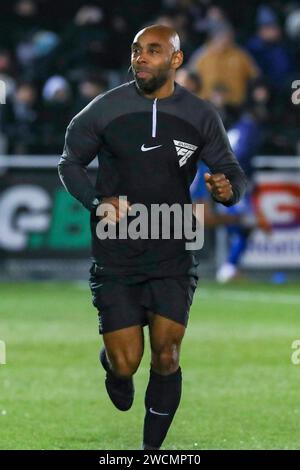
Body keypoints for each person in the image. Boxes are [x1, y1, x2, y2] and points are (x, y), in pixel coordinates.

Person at [58, 24, 247, 450]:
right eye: (137, 50)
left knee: (168, 353)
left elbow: (232, 175)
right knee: (127, 363)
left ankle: (151, 455)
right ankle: (114, 369)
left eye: (153, 50)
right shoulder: (105, 109)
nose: (140, 57)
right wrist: (97, 201)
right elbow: (69, 163)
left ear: (176, 60)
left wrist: (228, 190)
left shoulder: (200, 115)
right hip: (117, 251)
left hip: (174, 247)